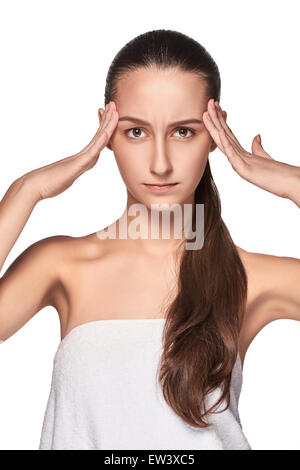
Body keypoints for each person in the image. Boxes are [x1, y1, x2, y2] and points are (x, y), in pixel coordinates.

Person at [0, 29, 299, 451]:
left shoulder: (249, 277)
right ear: (106, 134)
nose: (160, 164)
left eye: (183, 132)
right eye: (136, 132)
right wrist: (27, 190)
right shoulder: (60, 264)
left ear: (215, 135)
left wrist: (292, 182)